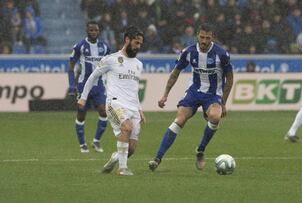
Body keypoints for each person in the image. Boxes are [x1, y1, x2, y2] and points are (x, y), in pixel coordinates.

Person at [148, 23, 234, 171]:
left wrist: (223, 103)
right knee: (179, 120)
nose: (204, 41)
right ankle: (157, 158)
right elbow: (175, 73)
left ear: (212, 37)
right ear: (197, 36)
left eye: (207, 38)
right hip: (194, 92)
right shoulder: (188, 52)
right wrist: (165, 95)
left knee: (215, 117)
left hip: (213, 95)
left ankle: (200, 150)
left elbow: (230, 79)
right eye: (202, 37)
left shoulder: (221, 54)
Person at [78, 26, 145, 176]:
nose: (138, 46)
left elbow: (134, 90)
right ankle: (122, 169)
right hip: (115, 103)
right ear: (127, 40)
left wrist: (139, 109)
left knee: (131, 149)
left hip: (133, 107)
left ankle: (115, 158)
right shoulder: (111, 59)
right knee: (126, 128)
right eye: (136, 42)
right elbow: (93, 77)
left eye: (140, 44)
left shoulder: (138, 64)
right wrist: (83, 97)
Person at [68, 21, 111, 153]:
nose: (93, 32)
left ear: (99, 32)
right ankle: (82, 144)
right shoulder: (80, 46)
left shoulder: (105, 47)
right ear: (87, 31)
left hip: (98, 86)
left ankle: (96, 141)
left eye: (96, 30)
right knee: (81, 113)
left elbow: (111, 65)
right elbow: (71, 66)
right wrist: (71, 85)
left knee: (103, 112)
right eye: (91, 30)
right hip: (83, 85)